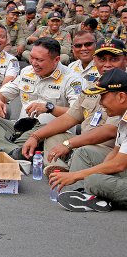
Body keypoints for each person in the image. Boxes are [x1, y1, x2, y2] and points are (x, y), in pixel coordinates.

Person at [22, 40, 126, 176]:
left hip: (110, 150)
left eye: (114, 59)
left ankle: (75, 179)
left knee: (84, 152)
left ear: (125, 60)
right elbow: (69, 117)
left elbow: (109, 131)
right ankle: (59, 170)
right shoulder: (93, 86)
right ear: (94, 61)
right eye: (101, 59)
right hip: (83, 143)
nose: (107, 65)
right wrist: (35, 136)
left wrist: (68, 144)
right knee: (53, 136)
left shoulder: (123, 89)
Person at [0, 38, 83, 159]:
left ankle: (7, 146)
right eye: (32, 58)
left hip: (49, 130)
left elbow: (79, 114)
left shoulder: (72, 79)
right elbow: (3, 93)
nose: (34, 63)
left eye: (39, 60)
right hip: (21, 127)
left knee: (36, 131)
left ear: (56, 60)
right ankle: (15, 150)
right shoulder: (27, 71)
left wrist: (50, 108)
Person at [49, 68, 127, 212]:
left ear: (121, 97)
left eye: (103, 97)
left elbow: (119, 164)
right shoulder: (123, 117)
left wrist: (77, 175)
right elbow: (114, 154)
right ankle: (84, 194)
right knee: (84, 153)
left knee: (94, 181)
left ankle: (97, 196)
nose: (101, 103)